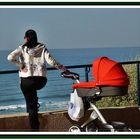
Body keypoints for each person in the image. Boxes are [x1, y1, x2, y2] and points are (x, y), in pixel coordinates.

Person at [7, 29, 70, 131]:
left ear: (26, 38)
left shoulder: (22, 48)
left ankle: (35, 130)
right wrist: (64, 69)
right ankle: (34, 106)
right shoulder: (42, 47)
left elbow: (10, 57)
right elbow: (51, 61)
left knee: (31, 106)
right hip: (40, 81)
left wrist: (21, 65)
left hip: (27, 81)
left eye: (24, 37)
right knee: (33, 98)